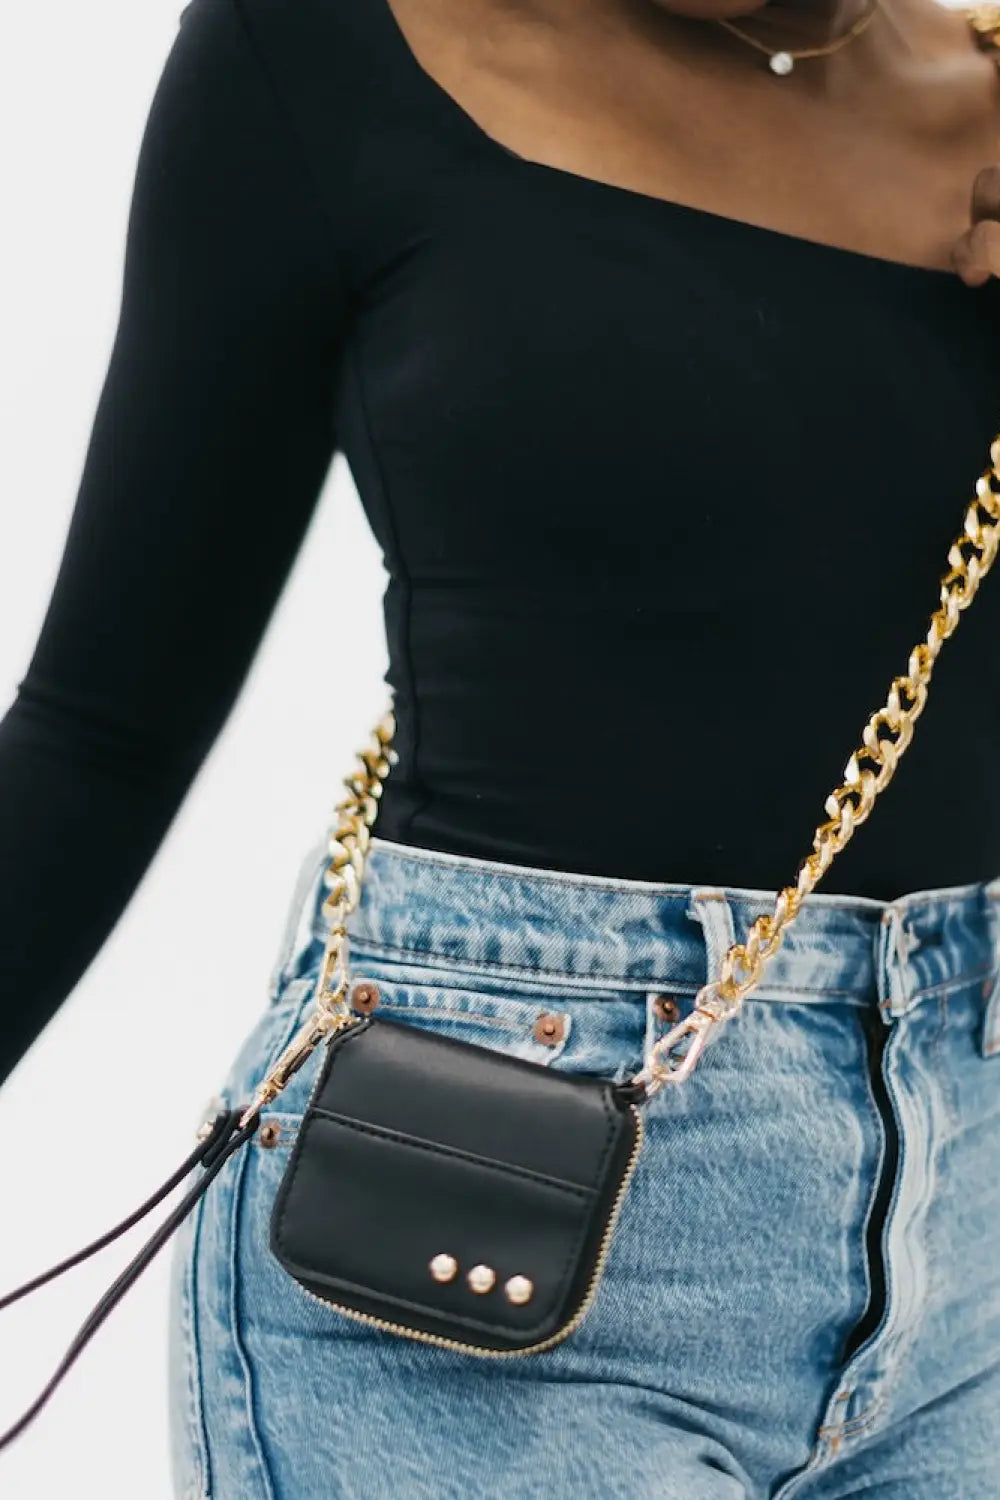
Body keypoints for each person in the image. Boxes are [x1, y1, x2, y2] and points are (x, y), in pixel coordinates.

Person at [3, 0, 1000, 1493]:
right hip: (462, 1244)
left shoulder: (982, 96)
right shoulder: (322, 50)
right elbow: (100, 730)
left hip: (969, 1256)